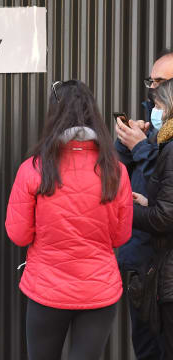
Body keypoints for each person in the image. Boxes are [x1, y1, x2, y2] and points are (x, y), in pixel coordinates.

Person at [5, 80, 133, 360]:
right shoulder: (116, 171)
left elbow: (19, 235)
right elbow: (120, 237)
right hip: (99, 289)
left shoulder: (34, 168)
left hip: (46, 288)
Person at [115, 50, 173, 359]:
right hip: (140, 262)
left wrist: (140, 148)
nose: (152, 89)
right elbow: (121, 177)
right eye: (151, 81)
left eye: (161, 82)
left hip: (163, 270)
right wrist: (127, 145)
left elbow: (164, 205)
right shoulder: (157, 130)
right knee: (146, 348)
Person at [131, 78, 173, 358]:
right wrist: (148, 203)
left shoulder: (169, 148)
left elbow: (164, 218)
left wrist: (127, 210)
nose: (154, 111)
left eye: (157, 104)